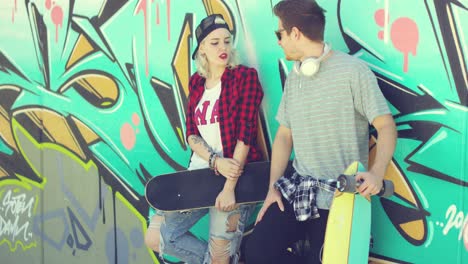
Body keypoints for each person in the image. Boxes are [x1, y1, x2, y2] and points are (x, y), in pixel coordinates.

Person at [244, 1, 397, 263]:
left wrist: (377, 173)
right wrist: (273, 188)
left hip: (341, 197)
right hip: (299, 187)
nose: (278, 41)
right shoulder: (296, 77)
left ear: (295, 33)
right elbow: (283, 135)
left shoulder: (353, 72)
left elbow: (386, 126)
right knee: (257, 251)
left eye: (279, 33)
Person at [145, 13, 264, 264]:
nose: (223, 48)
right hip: (199, 177)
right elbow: (191, 134)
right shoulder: (197, 83)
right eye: (215, 42)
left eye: (227, 41)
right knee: (156, 237)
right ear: (202, 49)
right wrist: (214, 161)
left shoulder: (245, 77)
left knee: (219, 258)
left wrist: (229, 186)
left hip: (235, 179)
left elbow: (246, 132)